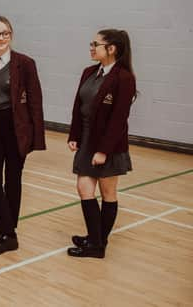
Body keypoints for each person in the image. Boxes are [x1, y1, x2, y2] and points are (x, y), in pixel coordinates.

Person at [0, 16, 45, 255]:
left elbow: (35, 101)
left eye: (5, 33)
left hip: (16, 129)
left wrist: (36, 137)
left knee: (12, 180)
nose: (0, 38)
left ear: (11, 36)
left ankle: (8, 234)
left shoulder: (25, 63)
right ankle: (3, 227)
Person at [67, 29, 136, 259]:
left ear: (111, 49)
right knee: (84, 188)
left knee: (108, 192)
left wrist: (103, 151)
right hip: (86, 139)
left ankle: (97, 243)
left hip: (108, 145)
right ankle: (96, 240)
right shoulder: (89, 72)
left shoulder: (124, 78)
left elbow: (118, 120)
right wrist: (74, 134)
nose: (91, 47)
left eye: (95, 44)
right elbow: (78, 106)